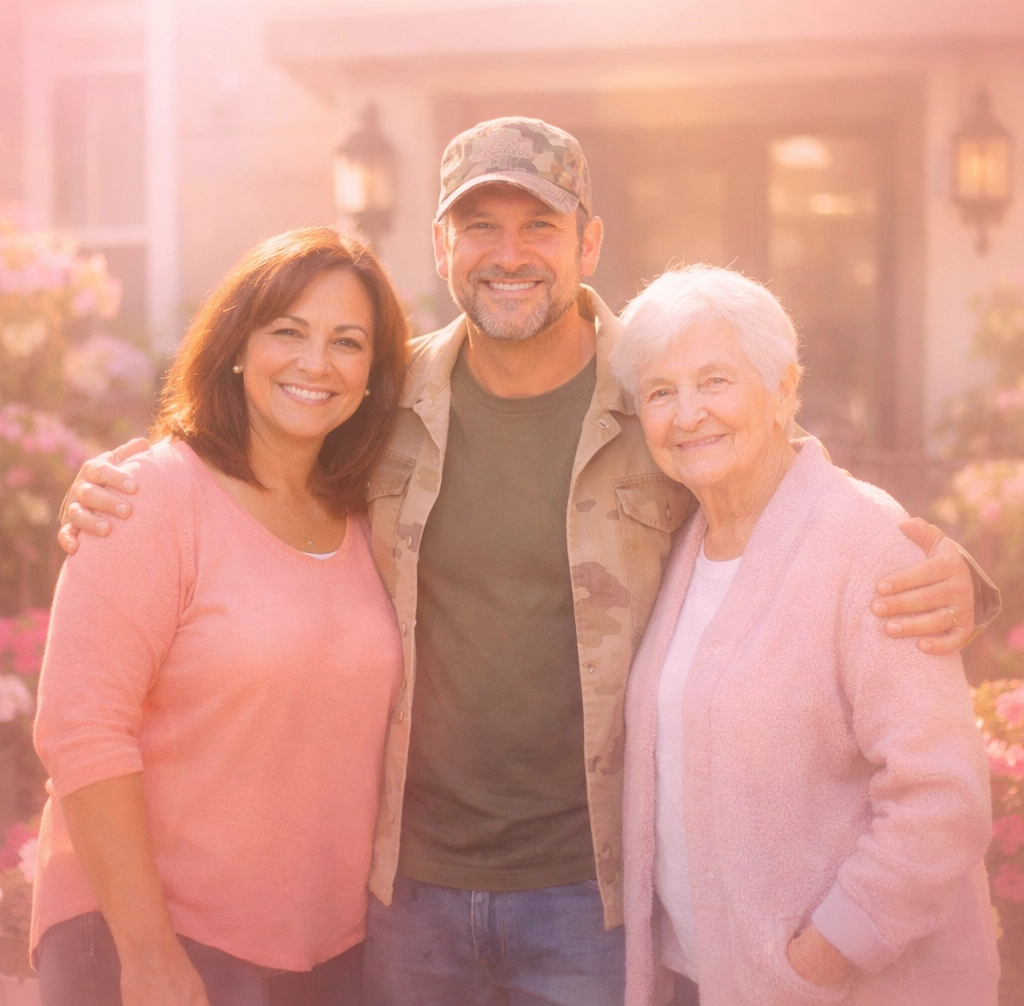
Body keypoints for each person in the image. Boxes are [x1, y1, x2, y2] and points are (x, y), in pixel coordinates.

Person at [58, 119, 997, 1006]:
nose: (509, 254)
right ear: (441, 247)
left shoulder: (655, 389)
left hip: (589, 899)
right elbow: (262, 470)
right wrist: (129, 478)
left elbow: (776, 469)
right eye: (480, 227)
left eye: (538, 226)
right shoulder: (378, 402)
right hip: (402, 893)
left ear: (588, 244)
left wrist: (957, 573)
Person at [33, 228, 408, 1006]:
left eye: (347, 342)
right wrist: (147, 951)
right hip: (154, 943)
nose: (316, 363)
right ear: (237, 345)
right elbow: (80, 725)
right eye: (288, 332)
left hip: (325, 951)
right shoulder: (152, 498)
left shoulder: (367, 517)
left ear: (373, 375)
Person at [614, 265, 999, 1006]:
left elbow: (942, 798)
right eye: (661, 392)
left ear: (784, 389)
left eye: (716, 381)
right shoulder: (685, 539)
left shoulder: (866, 540)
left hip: (831, 987)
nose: (688, 414)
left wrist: (825, 956)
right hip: (703, 978)